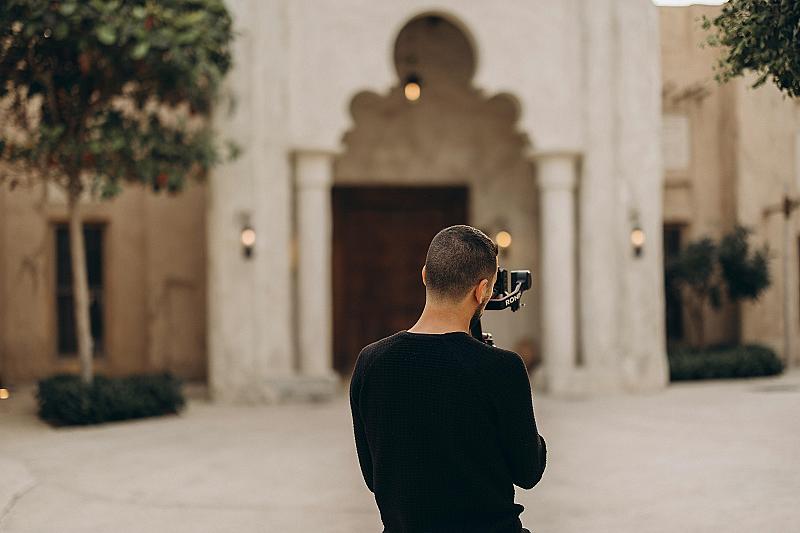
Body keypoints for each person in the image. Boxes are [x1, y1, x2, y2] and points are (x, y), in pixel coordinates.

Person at [349, 224, 547, 533]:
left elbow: (374, 477)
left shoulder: (370, 362)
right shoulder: (502, 368)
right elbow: (528, 472)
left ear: (425, 275)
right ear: (482, 290)